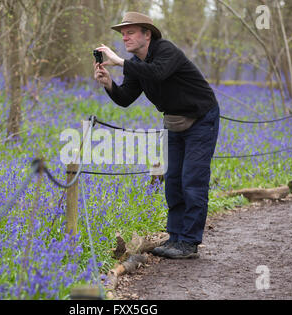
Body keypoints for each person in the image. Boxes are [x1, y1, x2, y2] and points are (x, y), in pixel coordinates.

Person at [94, 12, 219, 259]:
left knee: (192, 180)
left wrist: (119, 62)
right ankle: (175, 238)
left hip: (202, 119)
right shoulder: (134, 64)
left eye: (130, 32)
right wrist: (109, 83)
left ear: (147, 34)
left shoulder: (166, 51)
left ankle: (189, 243)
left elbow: (157, 73)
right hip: (174, 121)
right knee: (172, 180)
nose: (125, 37)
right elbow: (125, 99)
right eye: (123, 34)